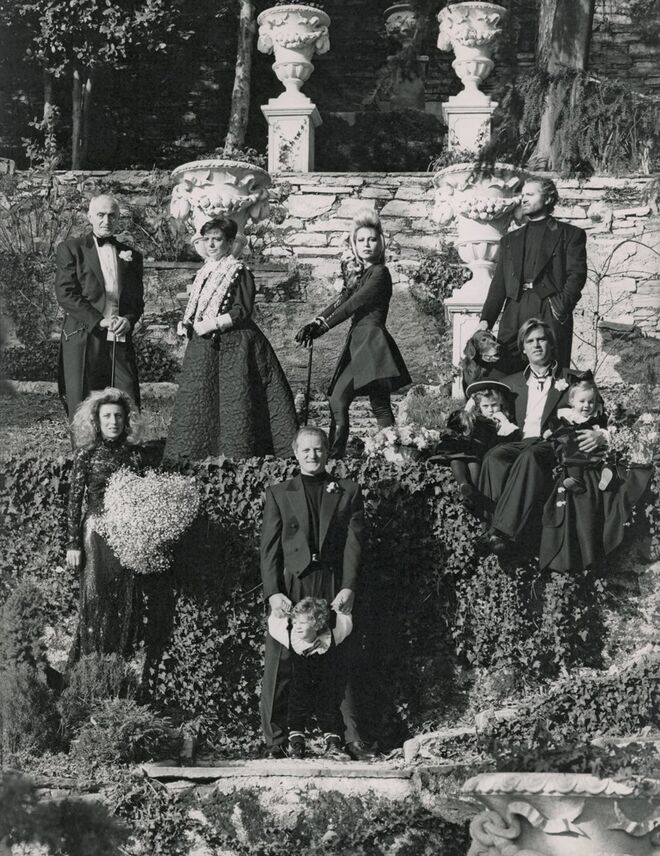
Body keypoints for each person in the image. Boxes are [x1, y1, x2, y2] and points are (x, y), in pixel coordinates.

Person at [259, 425, 374, 760]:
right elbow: (268, 550)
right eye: (306, 450)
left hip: (332, 584)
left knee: (339, 657)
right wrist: (273, 593)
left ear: (327, 452)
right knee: (282, 661)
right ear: (296, 453)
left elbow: (355, 545)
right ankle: (276, 740)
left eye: (319, 449)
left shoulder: (347, 491)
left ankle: (350, 737)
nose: (313, 456)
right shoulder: (280, 493)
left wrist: (349, 586)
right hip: (292, 585)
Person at [163, 217, 297, 463]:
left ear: (229, 243)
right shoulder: (204, 271)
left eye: (218, 239)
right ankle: (195, 456)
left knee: (233, 399)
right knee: (200, 398)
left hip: (234, 347)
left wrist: (212, 324)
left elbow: (242, 310)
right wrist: (189, 323)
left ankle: (238, 454)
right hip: (204, 346)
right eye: (208, 239)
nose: (212, 244)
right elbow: (199, 306)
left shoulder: (238, 271)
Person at [477, 319, 608, 555]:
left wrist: (600, 434)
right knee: (494, 457)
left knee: (531, 455)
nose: (536, 345)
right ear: (523, 349)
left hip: (554, 442)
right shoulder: (510, 384)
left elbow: (600, 414)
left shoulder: (573, 379)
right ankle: (491, 529)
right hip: (519, 441)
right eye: (530, 341)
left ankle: (501, 533)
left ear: (551, 344)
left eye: (541, 339)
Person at [295, 210, 411, 459]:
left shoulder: (380, 273)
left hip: (371, 342)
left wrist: (323, 328)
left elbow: (354, 304)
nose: (366, 245)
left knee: (372, 404)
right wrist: (314, 322)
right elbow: (341, 300)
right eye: (361, 240)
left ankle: (391, 455)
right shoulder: (360, 276)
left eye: (371, 239)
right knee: (342, 400)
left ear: (380, 242)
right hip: (357, 343)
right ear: (354, 245)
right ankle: (339, 456)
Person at [66, 388, 143, 663]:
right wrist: (73, 543)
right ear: (96, 421)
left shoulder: (135, 456)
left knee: (124, 604)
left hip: (125, 537)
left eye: (119, 416)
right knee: (94, 602)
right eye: (107, 416)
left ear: (126, 420)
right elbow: (74, 501)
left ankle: (116, 671)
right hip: (95, 535)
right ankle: (89, 670)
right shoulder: (85, 455)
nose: (113, 421)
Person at [478, 177, 587, 373]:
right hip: (515, 308)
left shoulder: (570, 234)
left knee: (551, 372)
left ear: (547, 199)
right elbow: (499, 284)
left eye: (530, 194)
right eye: (522, 194)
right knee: (504, 369)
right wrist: (486, 320)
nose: (523, 199)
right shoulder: (510, 240)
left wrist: (560, 306)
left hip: (549, 306)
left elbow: (576, 275)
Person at [55, 194, 143, 422]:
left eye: (112, 215)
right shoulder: (72, 249)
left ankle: (126, 452)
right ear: (90, 217)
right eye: (101, 215)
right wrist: (99, 320)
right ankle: (85, 453)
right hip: (84, 334)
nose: (106, 220)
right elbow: (66, 294)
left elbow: (135, 300)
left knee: (127, 394)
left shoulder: (131, 256)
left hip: (119, 335)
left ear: (118, 218)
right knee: (84, 398)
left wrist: (129, 319)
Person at [267, 597, 353, 759]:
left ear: (317, 624)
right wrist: (278, 612)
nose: (298, 626)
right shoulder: (291, 637)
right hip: (300, 685)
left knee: (328, 710)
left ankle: (333, 744)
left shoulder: (330, 637)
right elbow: (275, 626)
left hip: (325, 685)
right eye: (296, 622)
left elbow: (345, 626)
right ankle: (296, 743)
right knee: (296, 710)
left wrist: (342, 610)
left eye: (303, 623)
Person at [431, 381, 519, 506]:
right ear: (479, 406)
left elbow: (510, 436)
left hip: (483, 451)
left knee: (473, 463)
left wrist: (503, 421)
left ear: (501, 404)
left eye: (494, 405)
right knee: (456, 460)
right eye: (485, 406)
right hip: (468, 447)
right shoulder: (476, 418)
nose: (490, 410)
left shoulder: (503, 420)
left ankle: (473, 495)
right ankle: (463, 485)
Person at [543, 378, 612, 495]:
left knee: (607, 454)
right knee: (571, 455)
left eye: (591, 402)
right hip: (576, 447)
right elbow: (559, 425)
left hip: (593, 445)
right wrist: (550, 431)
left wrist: (601, 433)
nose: (587, 405)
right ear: (572, 401)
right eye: (582, 401)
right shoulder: (568, 415)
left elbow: (606, 428)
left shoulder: (596, 416)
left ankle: (607, 472)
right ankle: (576, 480)